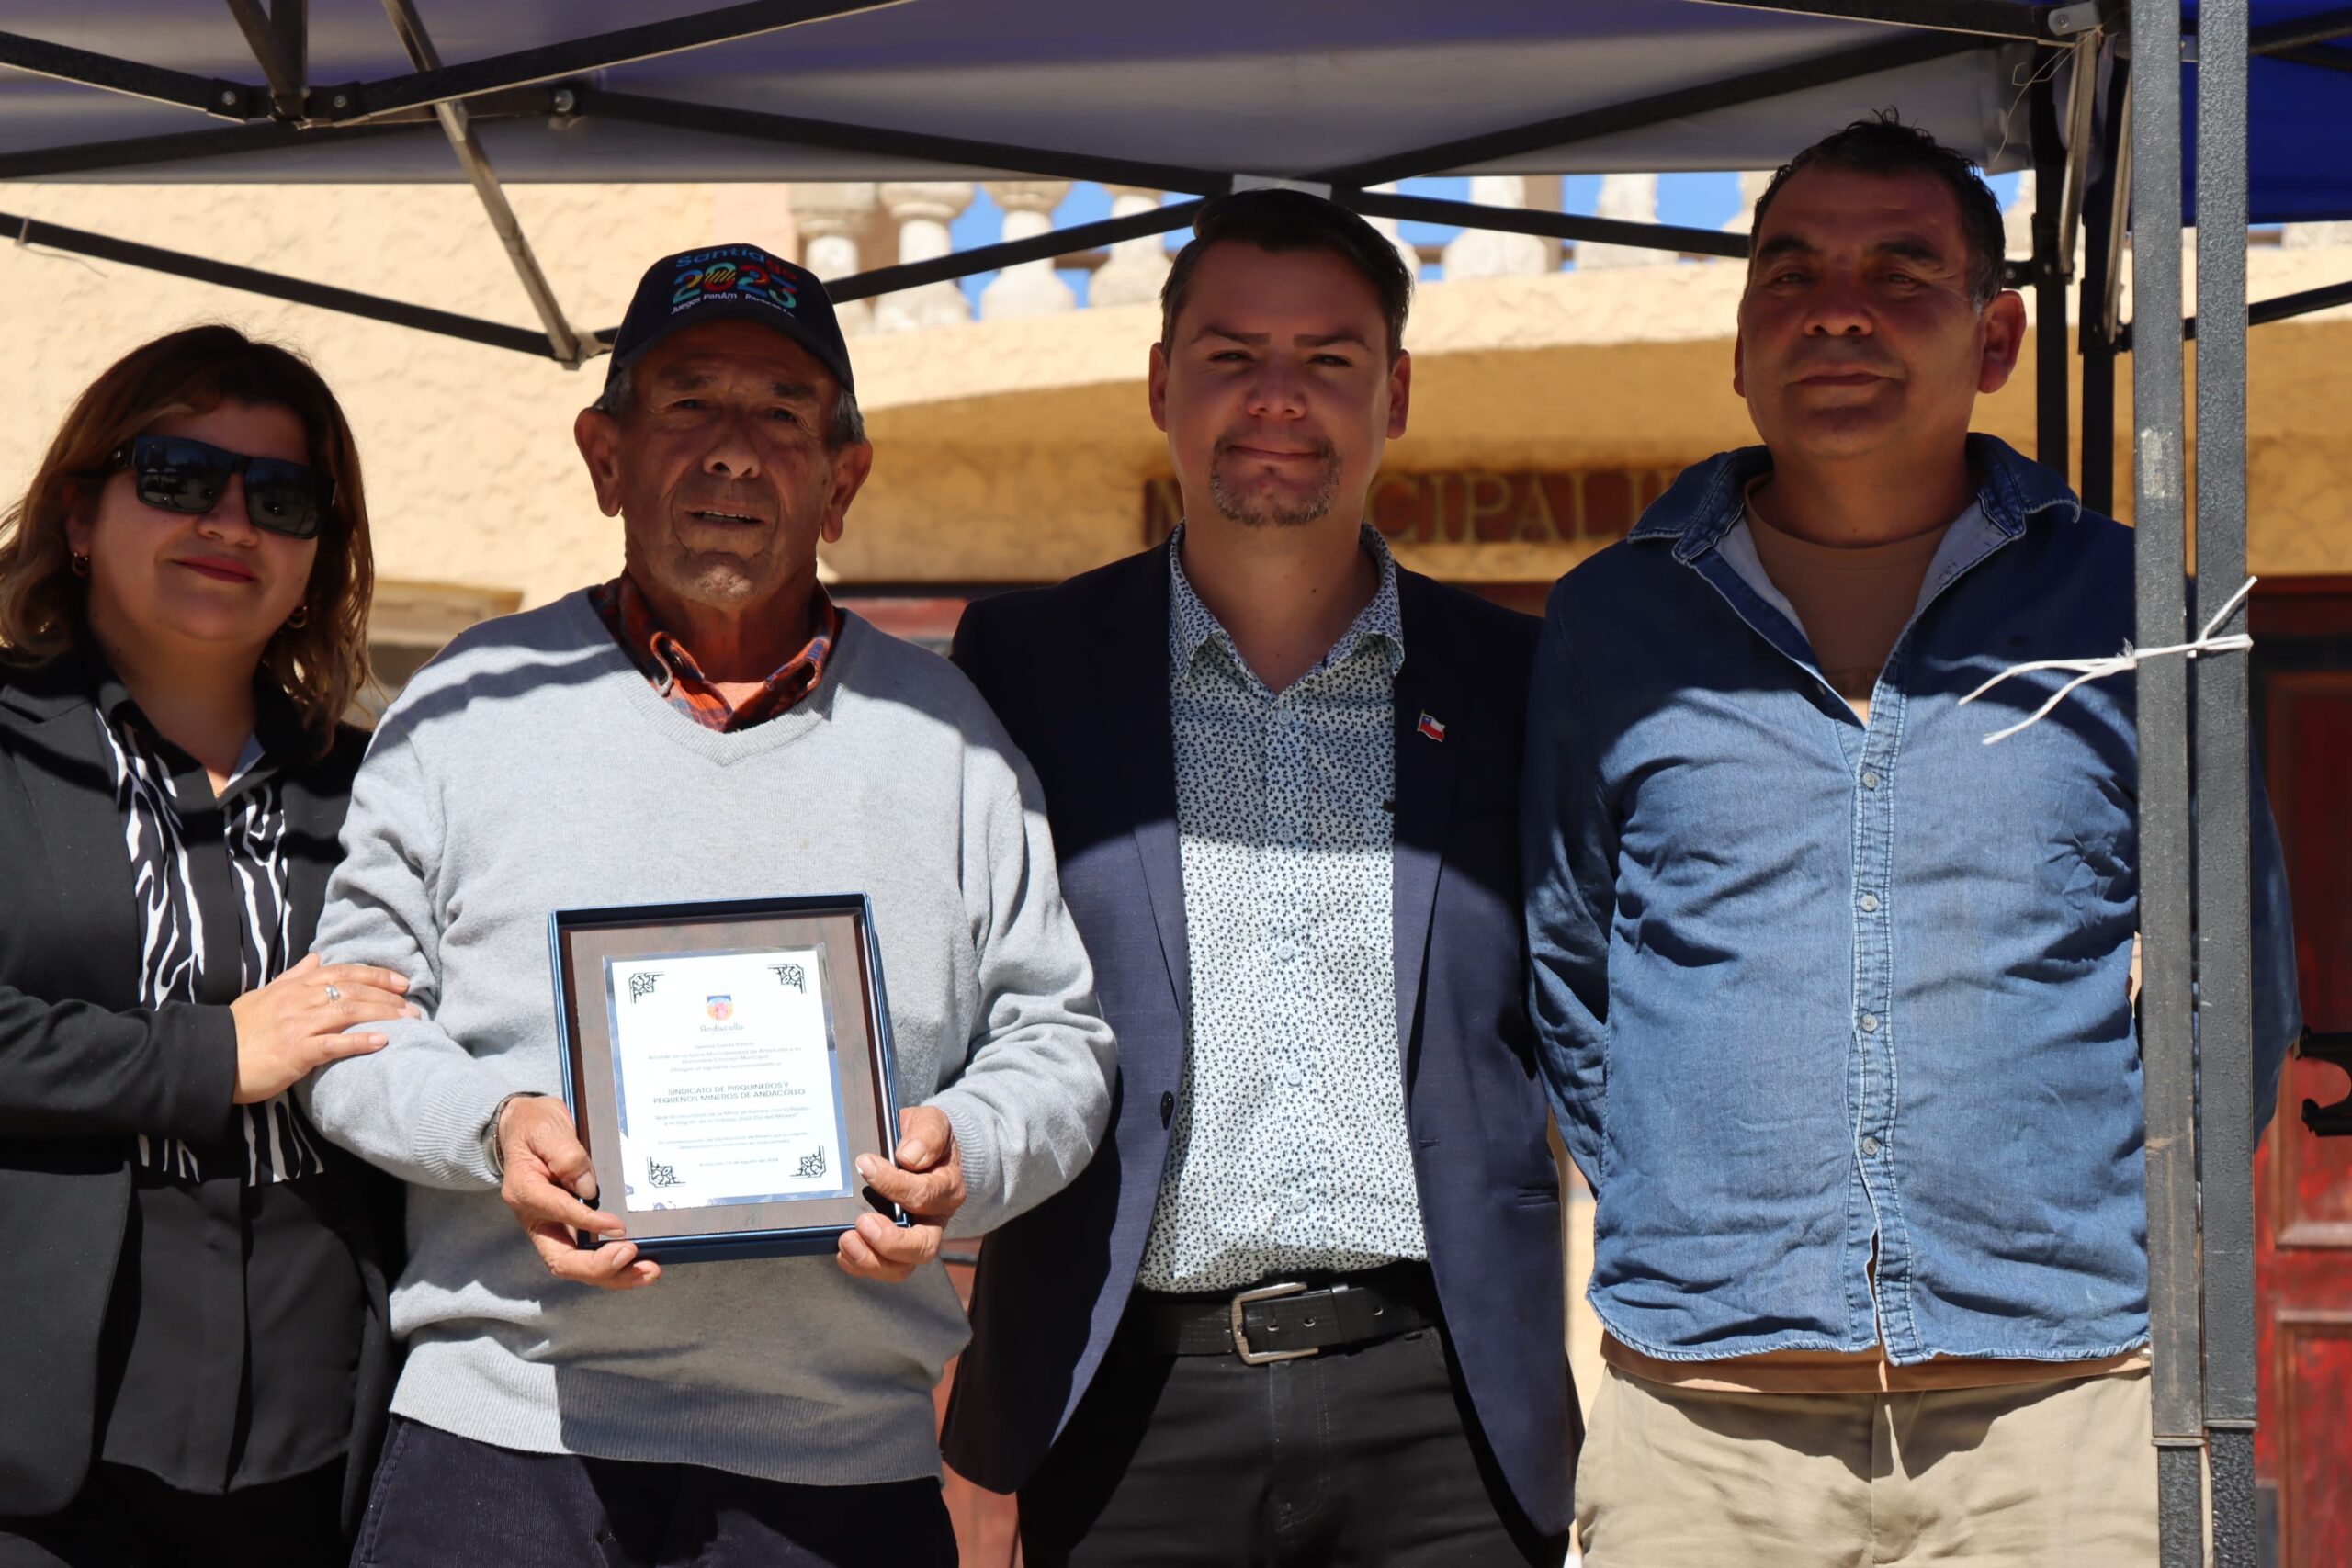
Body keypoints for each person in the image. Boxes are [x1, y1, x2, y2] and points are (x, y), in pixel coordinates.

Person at [1522, 117, 2303, 1567]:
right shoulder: (1610, 621)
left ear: (1997, 338)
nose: (1838, 310)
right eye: (1791, 272)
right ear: (1741, 342)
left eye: (1900, 271)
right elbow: (1573, 967)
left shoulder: (2139, 611)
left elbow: (2232, 983)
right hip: (1704, 1426)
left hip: (2065, 1415)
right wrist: (1698, 1206)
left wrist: (2092, 1222)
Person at [300, 243, 1114, 1568]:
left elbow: (1060, 1042)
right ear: (605, 456)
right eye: (688, 403)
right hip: (502, 1446)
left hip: (840, 1469)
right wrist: (491, 1130)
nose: (734, 450)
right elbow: (350, 1022)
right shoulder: (465, 707)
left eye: (784, 412)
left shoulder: (952, 740)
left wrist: (968, 1150)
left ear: (843, 481)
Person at [944, 189, 1573, 1566]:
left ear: (1395, 394)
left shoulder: (1514, 678)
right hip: (1119, 1401)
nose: (1278, 397)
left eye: (1329, 360)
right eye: (1231, 355)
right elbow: (961, 1003)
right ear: (1160, 382)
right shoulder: (1026, 668)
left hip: (1451, 1408)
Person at [0, 326, 409, 1566]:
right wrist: (210, 1056)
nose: (230, 523)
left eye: (281, 499)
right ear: (81, 515)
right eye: (179, 477)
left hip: (327, 1436)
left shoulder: (382, 788)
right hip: (42, 1454)